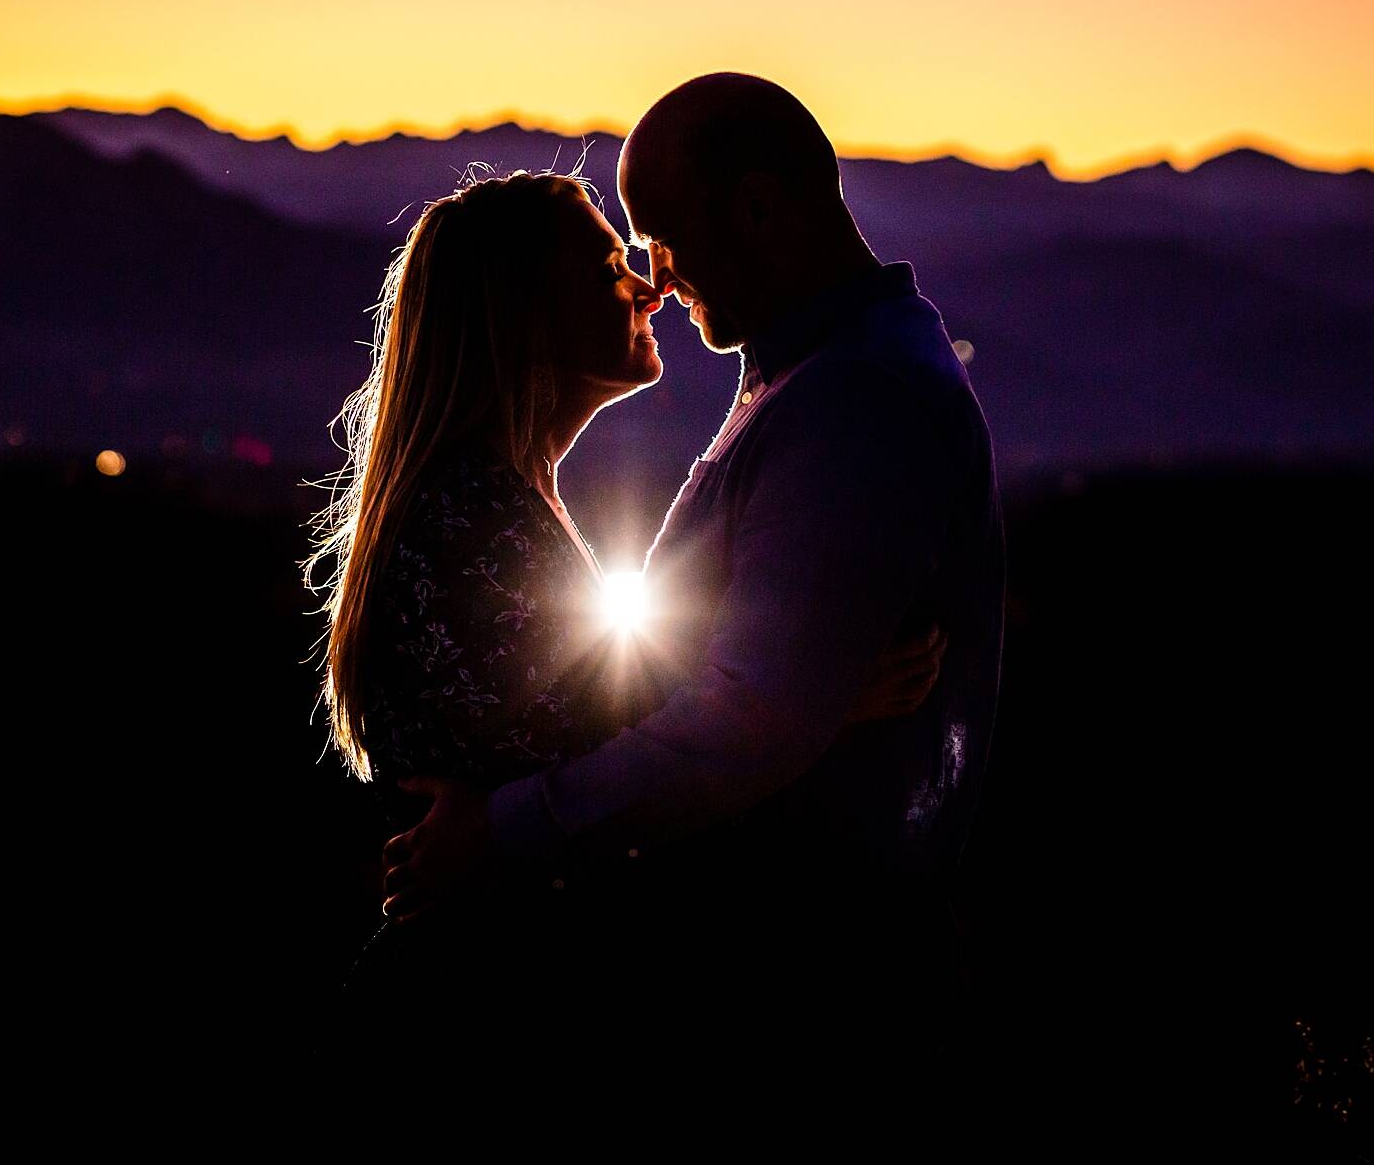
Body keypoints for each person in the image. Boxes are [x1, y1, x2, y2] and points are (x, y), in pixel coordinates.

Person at [379, 75, 1006, 1062]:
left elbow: (729, 730)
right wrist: (811, 701)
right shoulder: (804, 383)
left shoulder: (848, 402)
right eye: (626, 256)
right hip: (643, 992)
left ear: (756, 209)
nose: (656, 279)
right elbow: (660, 715)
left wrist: (785, 709)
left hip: (818, 995)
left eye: (661, 236)